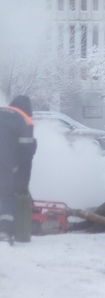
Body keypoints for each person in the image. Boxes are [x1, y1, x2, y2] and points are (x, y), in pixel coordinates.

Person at [0, 96, 36, 245]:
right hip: (4, 162)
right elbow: (26, 155)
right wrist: (23, 183)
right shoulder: (24, 120)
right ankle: (4, 231)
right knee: (6, 194)